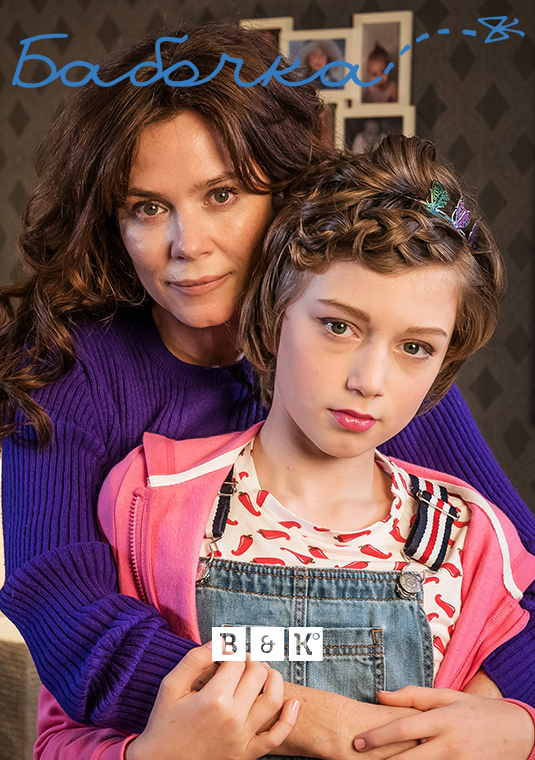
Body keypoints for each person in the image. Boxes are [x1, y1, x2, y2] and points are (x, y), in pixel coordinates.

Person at [0, 18, 534, 750]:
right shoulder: (73, 370)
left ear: (288, 194)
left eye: (221, 195)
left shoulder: (373, 373)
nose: (187, 246)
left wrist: (498, 719)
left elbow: (520, 582)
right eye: (147, 207)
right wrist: (335, 729)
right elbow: (63, 610)